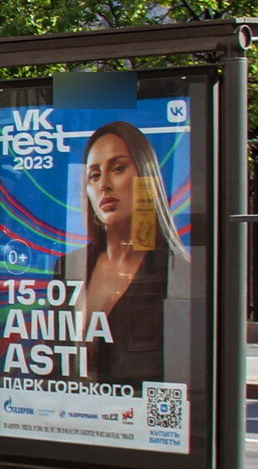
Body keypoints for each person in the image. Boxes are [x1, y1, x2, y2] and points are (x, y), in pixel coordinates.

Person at [61, 121, 187, 385]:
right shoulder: (68, 266)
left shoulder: (179, 270)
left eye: (118, 168)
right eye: (94, 175)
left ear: (145, 175)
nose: (104, 185)